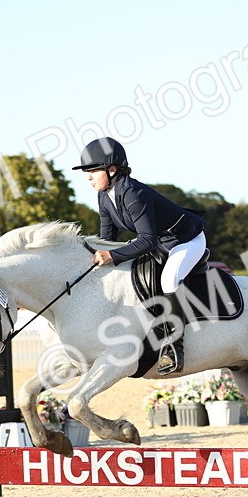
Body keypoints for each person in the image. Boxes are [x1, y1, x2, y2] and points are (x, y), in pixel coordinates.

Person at [74, 137, 206, 375]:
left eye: (93, 170)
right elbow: (107, 240)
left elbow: (147, 240)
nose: (89, 177)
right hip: (160, 243)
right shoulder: (104, 196)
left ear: (112, 169)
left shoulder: (133, 192)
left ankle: (173, 347)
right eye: (87, 172)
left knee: (169, 280)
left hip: (186, 239)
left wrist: (113, 256)